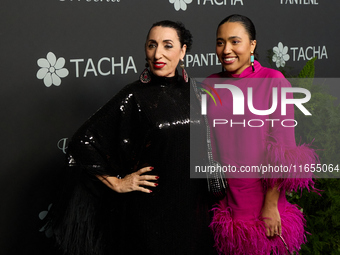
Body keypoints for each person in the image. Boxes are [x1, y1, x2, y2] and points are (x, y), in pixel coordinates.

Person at [47, 20, 216, 255]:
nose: (158, 53)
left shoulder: (198, 92)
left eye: (168, 45)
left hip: (194, 211)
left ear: (183, 51)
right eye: (151, 45)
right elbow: (82, 142)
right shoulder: (133, 95)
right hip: (151, 215)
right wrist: (116, 181)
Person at [204, 14, 319, 255]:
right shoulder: (210, 84)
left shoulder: (272, 80)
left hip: (261, 201)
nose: (226, 49)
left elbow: (283, 149)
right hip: (226, 200)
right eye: (220, 42)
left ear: (252, 45)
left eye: (235, 41)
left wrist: (270, 203)